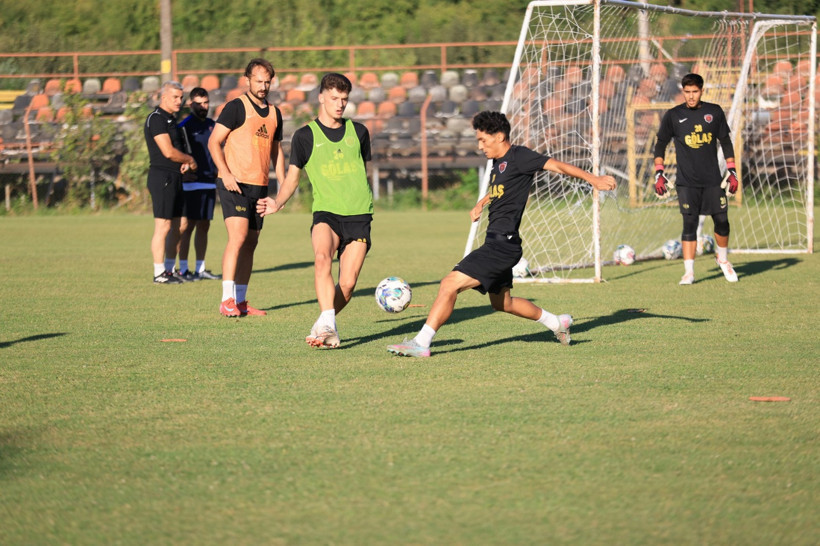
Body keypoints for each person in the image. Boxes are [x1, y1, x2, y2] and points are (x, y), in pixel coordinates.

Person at [386, 111, 616, 358]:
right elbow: (501, 190)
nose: (480, 146)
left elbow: (556, 165)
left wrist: (593, 179)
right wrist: (482, 202)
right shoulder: (498, 163)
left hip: (501, 246)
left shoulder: (520, 156)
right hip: (500, 243)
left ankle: (421, 343)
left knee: (448, 284)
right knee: (502, 304)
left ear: (500, 136)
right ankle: (556, 323)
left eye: (483, 140)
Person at [256, 73, 373, 349]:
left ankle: (323, 323)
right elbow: (293, 177)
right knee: (322, 258)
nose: (340, 104)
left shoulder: (359, 132)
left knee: (347, 284)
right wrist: (277, 201)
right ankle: (329, 327)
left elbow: (363, 173)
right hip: (326, 213)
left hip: (358, 215)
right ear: (321, 97)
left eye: (344, 99)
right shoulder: (305, 136)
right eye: (334, 98)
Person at [208, 58, 285, 316]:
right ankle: (226, 300)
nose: (263, 86)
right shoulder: (235, 107)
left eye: (267, 82)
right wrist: (225, 173)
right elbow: (213, 142)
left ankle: (241, 301)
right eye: (259, 81)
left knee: (251, 242)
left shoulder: (275, 113)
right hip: (235, 183)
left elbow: (277, 151)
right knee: (238, 238)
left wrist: (283, 186)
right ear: (247, 80)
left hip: (259, 186)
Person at [653, 72, 739, 285]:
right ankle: (689, 272)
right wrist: (659, 172)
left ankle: (723, 259)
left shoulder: (714, 112)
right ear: (683, 91)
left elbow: (726, 142)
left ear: (702, 91)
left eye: (695, 92)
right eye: (687, 92)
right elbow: (660, 144)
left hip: (712, 180)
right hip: (686, 181)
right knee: (689, 223)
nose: (691, 96)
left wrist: (732, 171)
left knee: (722, 221)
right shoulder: (673, 115)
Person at [144, 80, 197, 284]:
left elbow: (176, 152)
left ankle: (169, 269)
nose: (179, 101)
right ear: (164, 97)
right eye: (175, 97)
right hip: (162, 177)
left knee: (178, 225)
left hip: (175, 176)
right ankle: (159, 273)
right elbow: (167, 151)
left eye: (181, 97)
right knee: (163, 226)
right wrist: (189, 160)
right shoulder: (156, 119)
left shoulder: (172, 120)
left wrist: (183, 163)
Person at [175, 87, 220, 281]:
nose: (203, 107)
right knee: (187, 225)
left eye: (206, 103)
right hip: (190, 182)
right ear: (190, 104)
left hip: (209, 181)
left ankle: (200, 269)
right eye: (199, 103)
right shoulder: (184, 126)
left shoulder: (213, 125)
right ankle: (183, 269)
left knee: (204, 226)